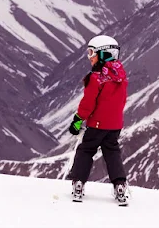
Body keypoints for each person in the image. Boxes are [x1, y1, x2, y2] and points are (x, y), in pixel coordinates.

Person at [67, 35, 129, 205]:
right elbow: (121, 101)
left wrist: (78, 120)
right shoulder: (121, 77)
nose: (90, 57)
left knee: (86, 150)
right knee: (112, 152)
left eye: (92, 53)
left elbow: (88, 104)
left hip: (97, 124)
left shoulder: (96, 78)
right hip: (115, 125)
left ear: (104, 54)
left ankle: (78, 183)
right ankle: (120, 186)